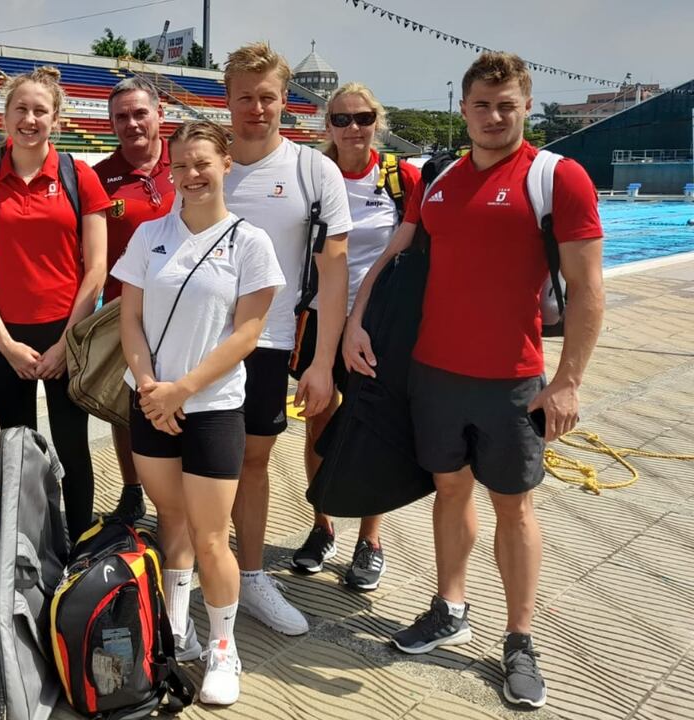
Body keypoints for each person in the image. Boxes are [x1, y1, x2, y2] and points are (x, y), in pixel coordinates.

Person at [344, 52, 604, 709]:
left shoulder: (557, 177)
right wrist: (354, 321)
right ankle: (450, 606)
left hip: (511, 381)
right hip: (433, 373)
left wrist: (568, 381)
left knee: (514, 507)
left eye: (506, 105)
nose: (494, 116)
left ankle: (519, 639)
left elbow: (587, 288)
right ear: (463, 109)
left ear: (526, 107)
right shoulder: (438, 179)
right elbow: (396, 252)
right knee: (450, 490)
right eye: (482, 105)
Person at [115, 120, 283, 705]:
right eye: (181, 165)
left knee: (212, 538)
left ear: (226, 164)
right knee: (171, 521)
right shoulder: (149, 235)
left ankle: (223, 647)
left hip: (211, 408)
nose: (191, 175)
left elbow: (248, 333)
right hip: (151, 402)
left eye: (202, 163)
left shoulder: (250, 242)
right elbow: (129, 319)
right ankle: (177, 626)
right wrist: (148, 387)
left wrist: (180, 390)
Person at [221, 42, 352, 636]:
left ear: (284, 101)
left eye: (267, 97)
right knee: (190, 462)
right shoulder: (207, 164)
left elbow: (333, 271)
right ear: (227, 100)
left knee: (253, 461)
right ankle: (187, 575)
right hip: (198, 344)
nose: (256, 108)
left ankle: (250, 576)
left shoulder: (312, 171)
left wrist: (321, 363)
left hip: (269, 343)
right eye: (245, 97)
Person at [0, 66, 111, 542]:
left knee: (71, 447)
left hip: (68, 332)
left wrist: (66, 343)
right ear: (5, 117)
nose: (30, 119)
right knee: (18, 452)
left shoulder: (78, 176)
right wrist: (4, 345)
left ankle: (80, 542)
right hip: (9, 337)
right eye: (21, 109)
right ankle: (27, 545)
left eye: (40, 111)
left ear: (56, 119)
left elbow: (96, 268)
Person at [289, 82, 421, 590]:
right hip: (319, 319)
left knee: (372, 431)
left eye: (363, 118)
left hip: (376, 325)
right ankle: (322, 525)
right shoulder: (311, 175)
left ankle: (371, 539)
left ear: (377, 122)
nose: (353, 128)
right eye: (341, 119)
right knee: (318, 423)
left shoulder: (399, 178)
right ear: (328, 125)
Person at [92, 77, 174, 523]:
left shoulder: (187, 162)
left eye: (140, 113)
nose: (132, 123)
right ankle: (131, 487)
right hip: (126, 312)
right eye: (121, 116)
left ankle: (179, 495)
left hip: (185, 311)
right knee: (126, 407)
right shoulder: (99, 177)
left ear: (160, 114)